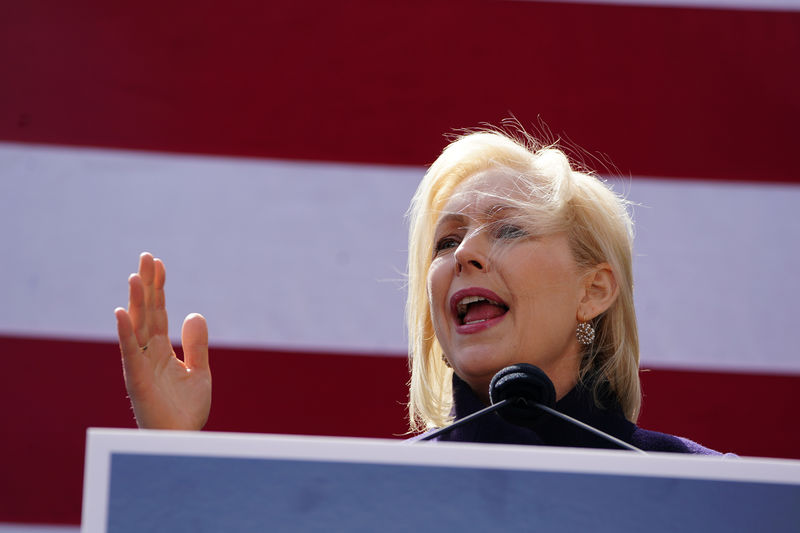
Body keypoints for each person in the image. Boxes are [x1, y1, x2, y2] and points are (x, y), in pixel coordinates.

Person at [115, 128, 724, 454]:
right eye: (446, 241)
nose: (465, 254)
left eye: (508, 229)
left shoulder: (699, 489)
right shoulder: (372, 498)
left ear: (594, 291)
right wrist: (170, 459)